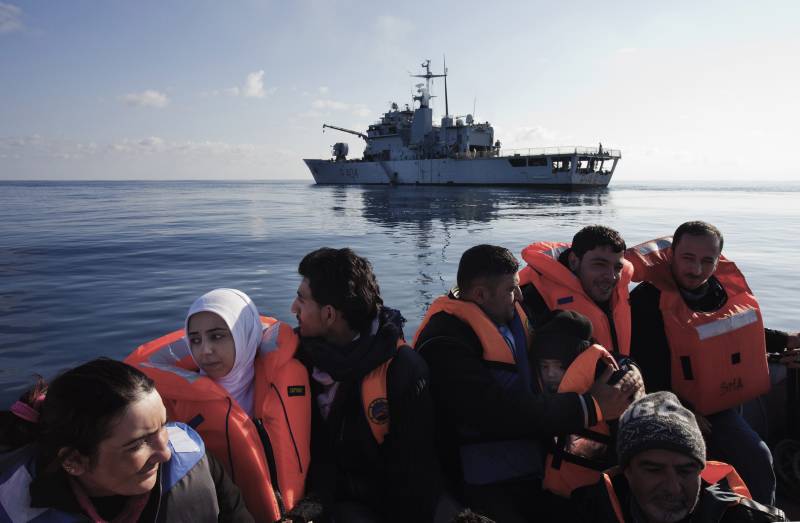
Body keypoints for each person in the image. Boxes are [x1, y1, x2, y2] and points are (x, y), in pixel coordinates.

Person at [413, 244, 635, 523]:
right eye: (511, 289)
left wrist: (623, 369)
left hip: (534, 467)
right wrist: (590, 407)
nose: (519, 295)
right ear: (480, 294)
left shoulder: (509, 315)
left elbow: (571, 340)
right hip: (482, 485)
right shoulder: (445, 341)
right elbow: (491, 413)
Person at [627, 221, 800, 505]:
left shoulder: (718, 289)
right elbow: (646, 368)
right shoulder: (648, 301)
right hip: (680, 407)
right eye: (688, 258)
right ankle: (762, 514)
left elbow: (735, 331)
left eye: (707, 261)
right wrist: (685, 410)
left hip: (727, 393)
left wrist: (785, 341)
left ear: (718, 260)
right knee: (758, 458)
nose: (696, 270)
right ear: (673, 256)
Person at [126, 288, 311, 523]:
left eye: (217, 336)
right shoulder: (172, 404)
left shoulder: (290, 382)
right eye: (195, 340)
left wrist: (308, 509)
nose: (205, 350)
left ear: (244, 333)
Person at [0, 358, 253, 522]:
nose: (166, 453)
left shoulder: (195, 463)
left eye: (163, 426)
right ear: (74, 460)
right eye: (139, 443)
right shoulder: (12, 507)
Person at [290, 247, 439, 522]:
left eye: (301, 299)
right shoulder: (294, 358)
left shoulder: (402, 370)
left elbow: (414, 478)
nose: (292, 308)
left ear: (329, 315)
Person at [570, 391, 787, 522]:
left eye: (686, 470)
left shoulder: (745, 518)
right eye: (654, 470)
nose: (673, 488)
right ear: (627, 471)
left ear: (701, 472)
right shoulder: (583, 513)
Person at [536, 310, 629, 498]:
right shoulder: (537, 395)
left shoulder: (610, 390)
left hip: (598, 495)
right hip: (551, 494)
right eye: (545, 366)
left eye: (560, 366)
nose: (551, 374)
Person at [519, 225, 634, 357]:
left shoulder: (619, 287)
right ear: (574, 261)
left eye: (618, 267)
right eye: (599, 264)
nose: (611, 276)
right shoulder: (534, 296)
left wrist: (629, 366)